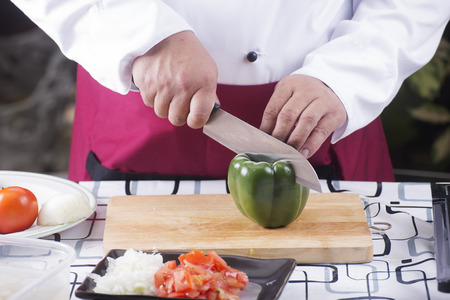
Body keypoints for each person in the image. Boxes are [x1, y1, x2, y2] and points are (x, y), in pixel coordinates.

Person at [11, 1, 450, 183]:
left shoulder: (342, 79)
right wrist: (139, 34)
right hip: (142, 98)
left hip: (324, 104)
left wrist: (351, 71)